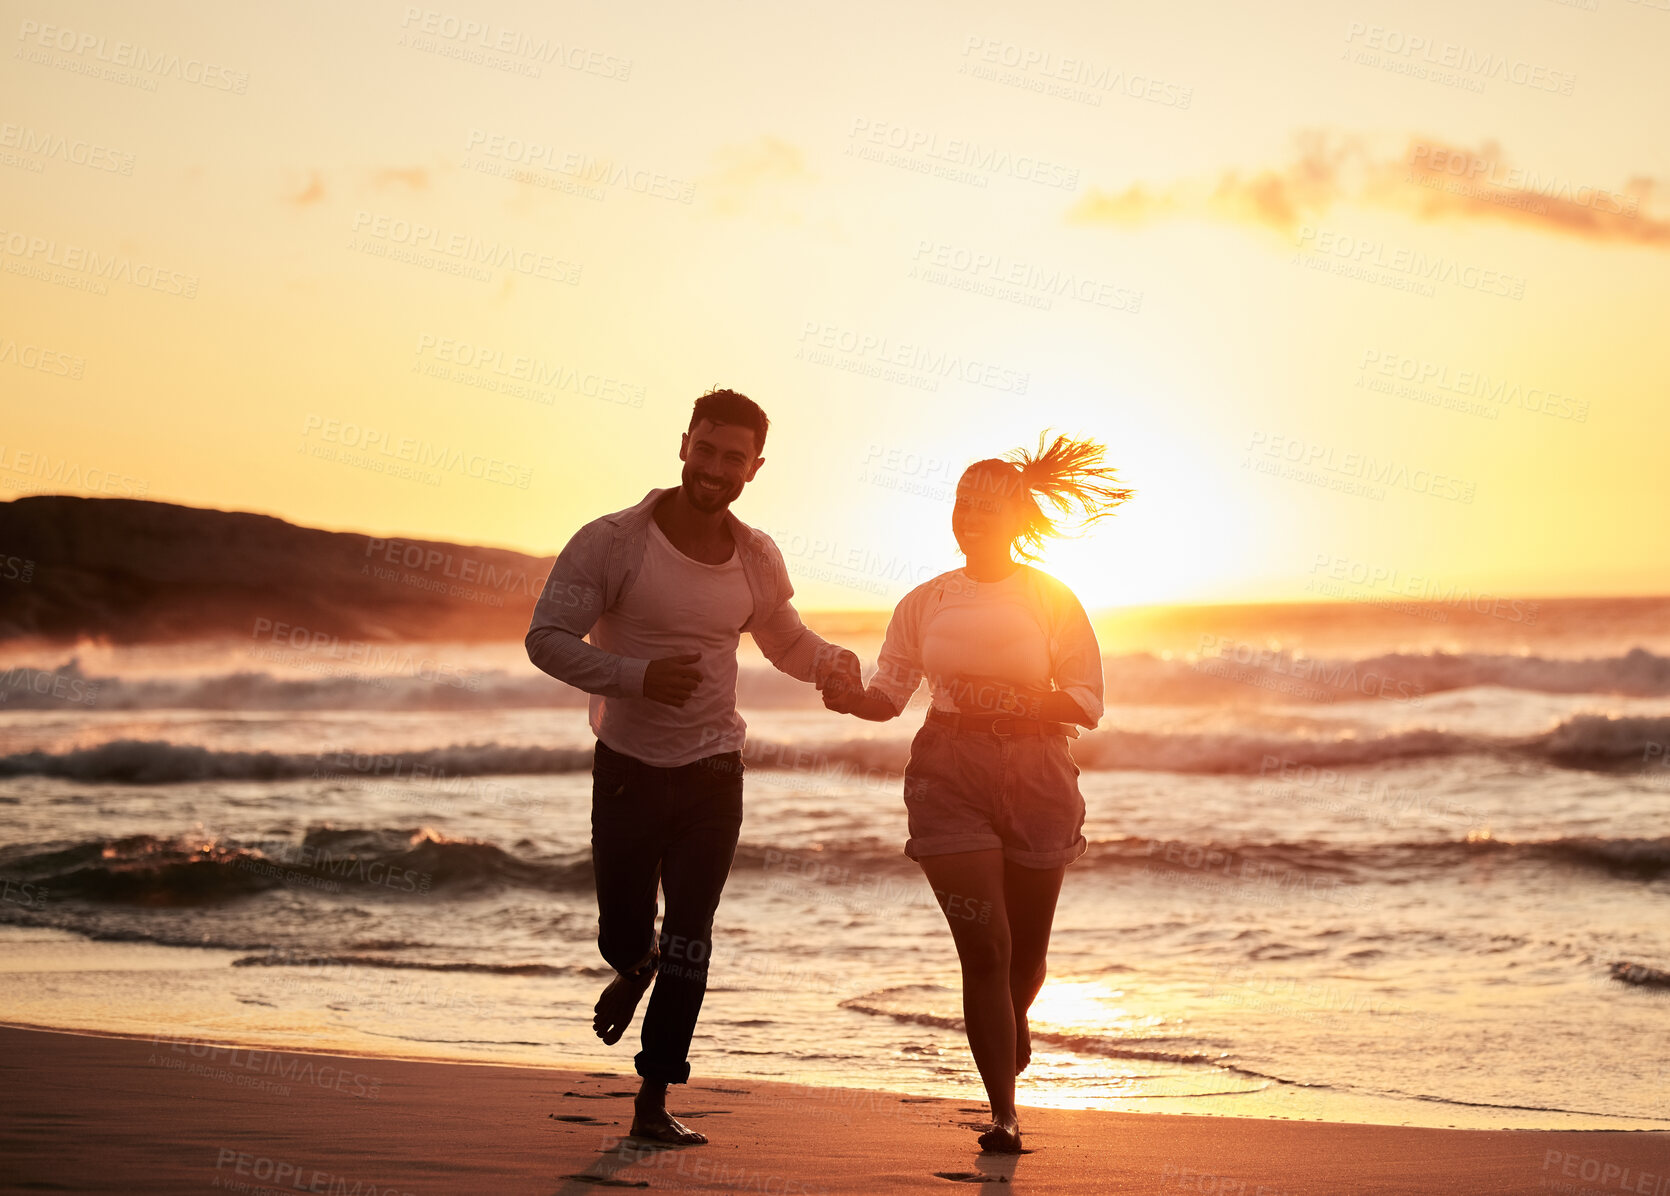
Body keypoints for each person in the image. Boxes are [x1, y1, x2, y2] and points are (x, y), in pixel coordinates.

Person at [525, 388, 861, 1145]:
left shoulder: (756, 556)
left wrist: (832, 665)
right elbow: (547, 638)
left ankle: (653, 1102)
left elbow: (786, 640)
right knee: (624, 934)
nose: (715, 468)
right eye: (705, 449)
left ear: (755, 467)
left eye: (733, 457)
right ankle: (630, 964)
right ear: (684, 445)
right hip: (627, 768)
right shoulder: (612, 543)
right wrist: (637, 676)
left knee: (692, 936)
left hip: (715, 771)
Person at [821, 433, 1131, 1153]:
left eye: (989, 506)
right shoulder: (924, 602)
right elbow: (888, 697)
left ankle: (1012, 1020)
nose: (971, 516)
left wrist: (1019, 704)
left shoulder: (1052, 598)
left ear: (1020, 519)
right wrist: (846, 696)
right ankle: (1003, 1112)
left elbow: (1086, 701)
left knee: (1025, 954)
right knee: (985, 950)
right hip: (947, 773)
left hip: (1037, 772)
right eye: (962, 503)